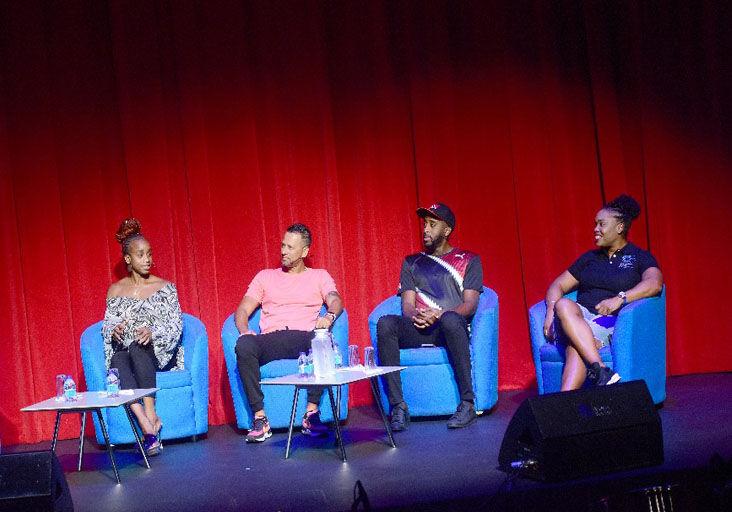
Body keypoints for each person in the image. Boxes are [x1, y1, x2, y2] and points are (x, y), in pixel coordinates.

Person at [376, 203, 483, 431]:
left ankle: (467, 404)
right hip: (420, 326)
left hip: (449, 329)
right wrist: (418, 315)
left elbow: (470, 305)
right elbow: (407, 304)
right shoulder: (411, 262)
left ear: (446, 230)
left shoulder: (469, 260)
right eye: (425, 224)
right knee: (386, 323)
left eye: (432, 225)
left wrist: (439, 314)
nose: (425, 229)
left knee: (452, 319)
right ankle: (398, 406)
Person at [234, 223, 344, 443]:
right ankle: (260, 418)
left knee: (322, 341)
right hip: (272, 338)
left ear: (304, 252)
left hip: (304, 337)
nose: (283, 251)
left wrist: (329, 317)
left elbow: (335, 300)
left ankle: (311, 414)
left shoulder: (319, 276)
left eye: (290, 247)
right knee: (244, 346)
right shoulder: (265, 277)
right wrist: (245, 331)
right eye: (283, 245)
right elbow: (243, 309)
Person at [542, 194, 663, 390]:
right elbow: (558, 285)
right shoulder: (589, 258)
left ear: (619, 227)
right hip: (575, 317)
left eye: (601, 224)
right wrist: (550, 310)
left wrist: (620, 298)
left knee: (577, 346)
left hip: (608, 323)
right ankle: (600, 369)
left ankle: (564, 406)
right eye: (595, 224)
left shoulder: (639, 257)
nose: (595, 229)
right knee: (563, 304)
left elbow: (654, 283)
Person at [102, 218, 184, 456]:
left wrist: (153, 333)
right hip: (125, 353)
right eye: (140, 255)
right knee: (118, 360)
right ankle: (147, 424)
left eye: (149, 254)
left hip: (155, 352)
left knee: (138, 349)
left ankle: (150, 414)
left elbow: (175, 326)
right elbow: (107, 326)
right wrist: (114, 330)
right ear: (128, 259)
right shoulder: (115, 290)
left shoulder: (166, 287)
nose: (147, 259)